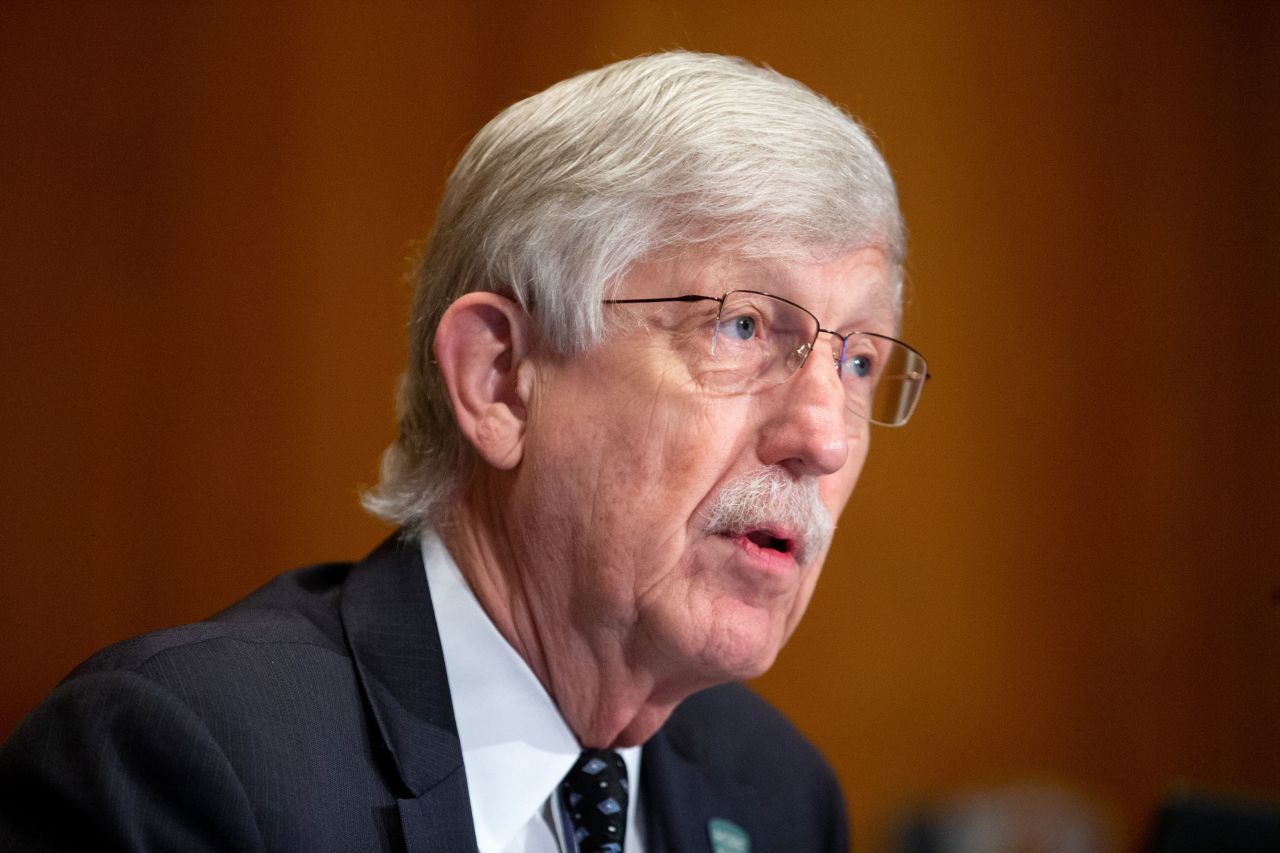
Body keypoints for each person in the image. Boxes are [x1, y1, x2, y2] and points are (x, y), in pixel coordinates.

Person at [0, 51, 928, 852]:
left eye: (856, 360)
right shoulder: (187, 761)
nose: (826, 436)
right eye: (741, 326)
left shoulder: (775, 793)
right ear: (499, 378)